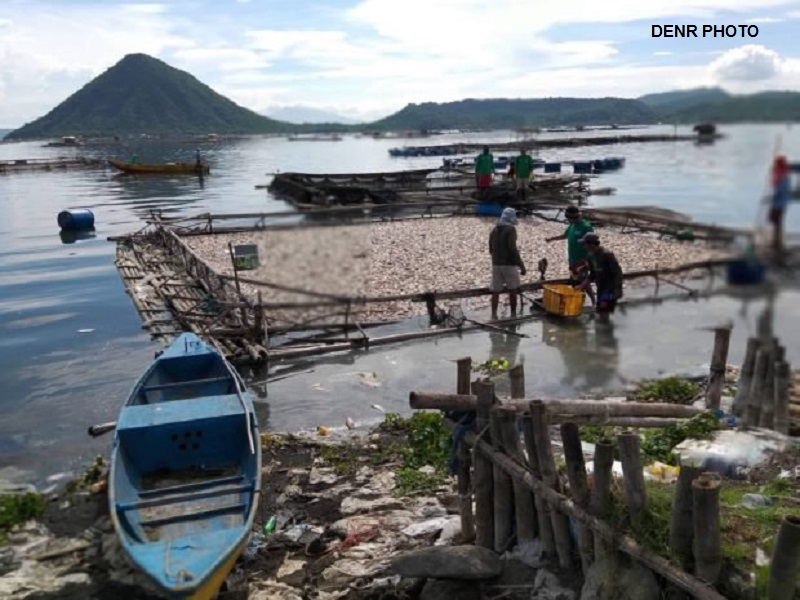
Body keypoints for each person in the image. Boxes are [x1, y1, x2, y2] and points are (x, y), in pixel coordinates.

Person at [545, 205, 595, 305]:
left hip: (583, 259)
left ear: (575, 217)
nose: (568, 220)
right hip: (572, 259)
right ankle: (580, 301)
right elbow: (565, 235)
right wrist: (552, 239)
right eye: (567, 218)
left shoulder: (586, 226)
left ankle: (593, 301)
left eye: (569, 218)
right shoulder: (572, 225)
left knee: (583, 281)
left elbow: (593, 244)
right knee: (576, 280)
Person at [489, 207, 526, 318]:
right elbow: (512, 249)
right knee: (512, 290)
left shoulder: (494, 230)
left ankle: (494, 315)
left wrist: (496, 259)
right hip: (509, 264)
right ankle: (513, 315)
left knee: (495, 291)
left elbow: (490, 248)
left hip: (496, 264)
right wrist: (521, 266)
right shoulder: (510, 229)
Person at [579, 232, 623, 324]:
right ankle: (605, 332)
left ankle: (606, 334)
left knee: (603, 311)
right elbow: (592, 274)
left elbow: (617, 272)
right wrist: (583, 284)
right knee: (602, 311)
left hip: (609, 288)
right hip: (600, 287)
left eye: (585, 244)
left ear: (591, 244)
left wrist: (618, 289)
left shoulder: (607, 254)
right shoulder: (590, 256)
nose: (584, 247)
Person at [768, 154, 791, 256]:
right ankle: (776, 241)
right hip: (781, 203)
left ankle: (777, 243)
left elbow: (779, 190)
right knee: (776, 222)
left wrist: (773, 194)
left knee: (776, 221)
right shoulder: (783, 174)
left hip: (779, 203)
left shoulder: (783, 176)